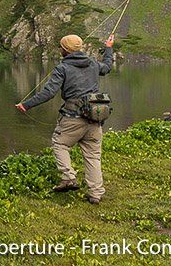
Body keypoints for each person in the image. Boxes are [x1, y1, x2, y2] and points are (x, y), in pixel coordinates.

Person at [15, 33, 114, 204]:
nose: (60, 49)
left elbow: (48, 93)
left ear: (65, 50)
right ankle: (96, 194)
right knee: (93, 156)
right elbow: (106, 67)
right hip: (95, 118)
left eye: (61, 47)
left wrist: (26, 105)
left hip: (72, 118)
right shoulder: (92, 63)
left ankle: (68, 177)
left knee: (59, 144)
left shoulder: (62, 68)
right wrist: (109, 48)